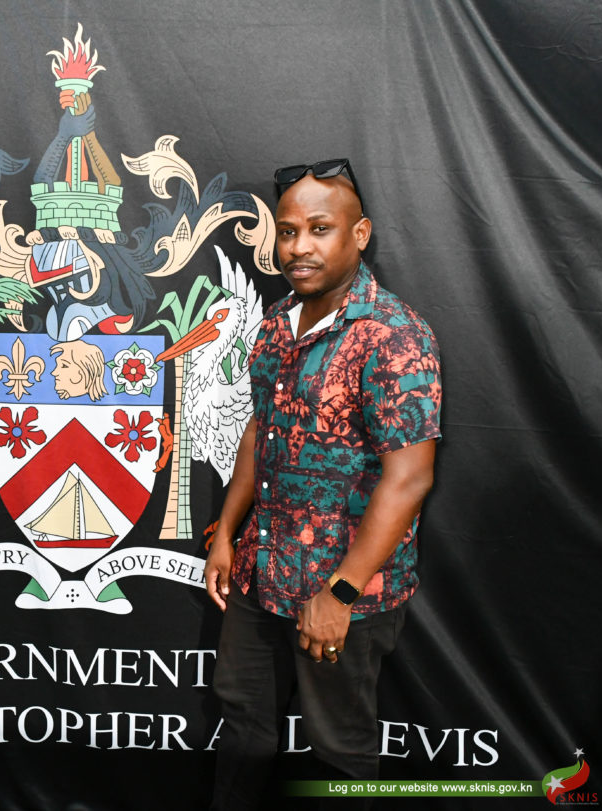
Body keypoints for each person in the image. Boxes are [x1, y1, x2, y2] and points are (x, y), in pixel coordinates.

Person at [204, 160, 442, 809]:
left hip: (341, 589)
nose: (298, 247)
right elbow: (260, 431)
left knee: (339, 744)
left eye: (319, 228)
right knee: (243, 721)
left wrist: (340, 591)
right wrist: (227, 534)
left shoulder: (394, 335)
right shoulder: (277, 321)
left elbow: (409, 478)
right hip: (260, 573)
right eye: (287, 232)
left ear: (359, 234)